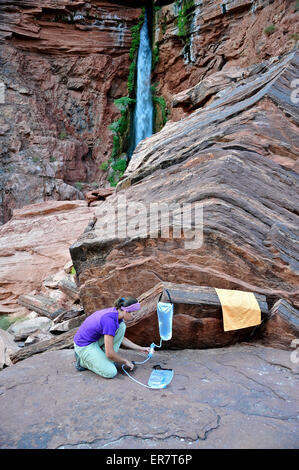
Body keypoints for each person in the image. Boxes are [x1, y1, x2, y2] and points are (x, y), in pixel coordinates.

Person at [73, 296, 150, 378]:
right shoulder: (109, 321)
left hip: (95, 339)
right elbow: (109, 354)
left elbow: (122, 339)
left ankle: (100, 356)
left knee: (121, 326)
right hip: (84, 345)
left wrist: (140, 348)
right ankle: (82, 362)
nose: (134, 316)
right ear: (125, 311)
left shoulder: (116, 314)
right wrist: (124, 361)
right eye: (133, 313)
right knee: (111, 372)